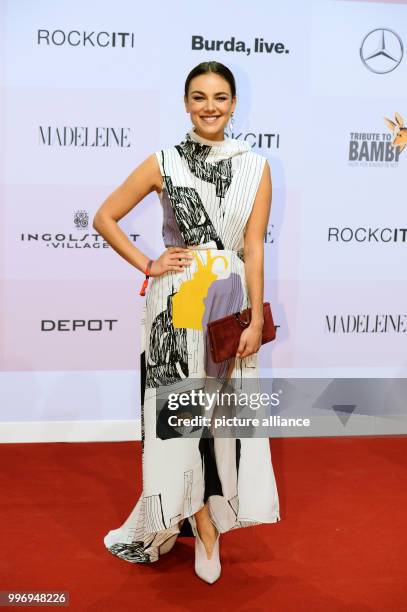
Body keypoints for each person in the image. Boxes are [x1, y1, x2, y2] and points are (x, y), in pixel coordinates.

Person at [93, 61, 280, 584]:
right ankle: (199, 524)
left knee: (220, 421)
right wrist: (150, 262)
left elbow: (253, 246)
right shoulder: (164, 162)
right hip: (176, 306)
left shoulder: (256, 165)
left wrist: (253, 319)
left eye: (220, 97)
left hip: (227, 303)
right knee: (180, 421)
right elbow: (104, 217)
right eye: (199, 97)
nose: (210, 107)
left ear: (235, 103)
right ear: (185, 103)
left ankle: (210, 521)